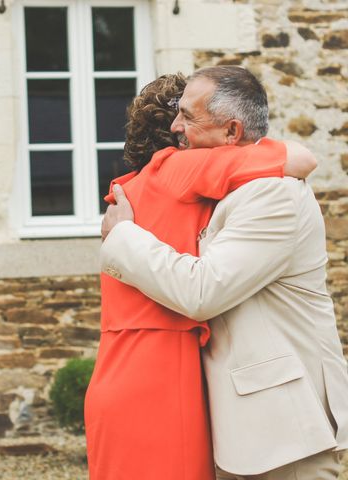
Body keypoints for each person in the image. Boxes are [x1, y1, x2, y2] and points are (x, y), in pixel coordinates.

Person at [100, 66, 348, 479]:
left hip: (281, 430)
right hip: (242, 428)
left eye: (189, 117)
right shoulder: (228, 184)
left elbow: (203, 291)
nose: (177, 127)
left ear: (232, 132)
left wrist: (123, 235)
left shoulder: (274, 194)